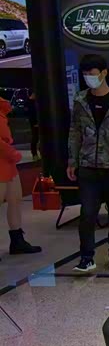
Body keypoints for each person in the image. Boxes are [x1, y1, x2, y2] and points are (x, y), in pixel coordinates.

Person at [67, 54, 109, 272]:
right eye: (85, 74)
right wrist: (72, 160)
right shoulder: (80, 100)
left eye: (92, 73)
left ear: (104, 73)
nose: (89, 77)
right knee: (87, 213)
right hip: (88, 166)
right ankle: (86, 257)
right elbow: (75, 132)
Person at [0, 96, 41, 257]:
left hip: (8, 161)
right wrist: (11, 153)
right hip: (3, 159)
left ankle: (17, 240)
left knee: (15, 199)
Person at [26, 91, 39, 161]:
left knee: (39, 138)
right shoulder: (29, 103)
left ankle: (38, 153)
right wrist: (34, 123)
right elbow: (30, 114)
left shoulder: (36, 102)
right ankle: (34, 154)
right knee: (35, 138)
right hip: (34, 123)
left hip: (39, 122)